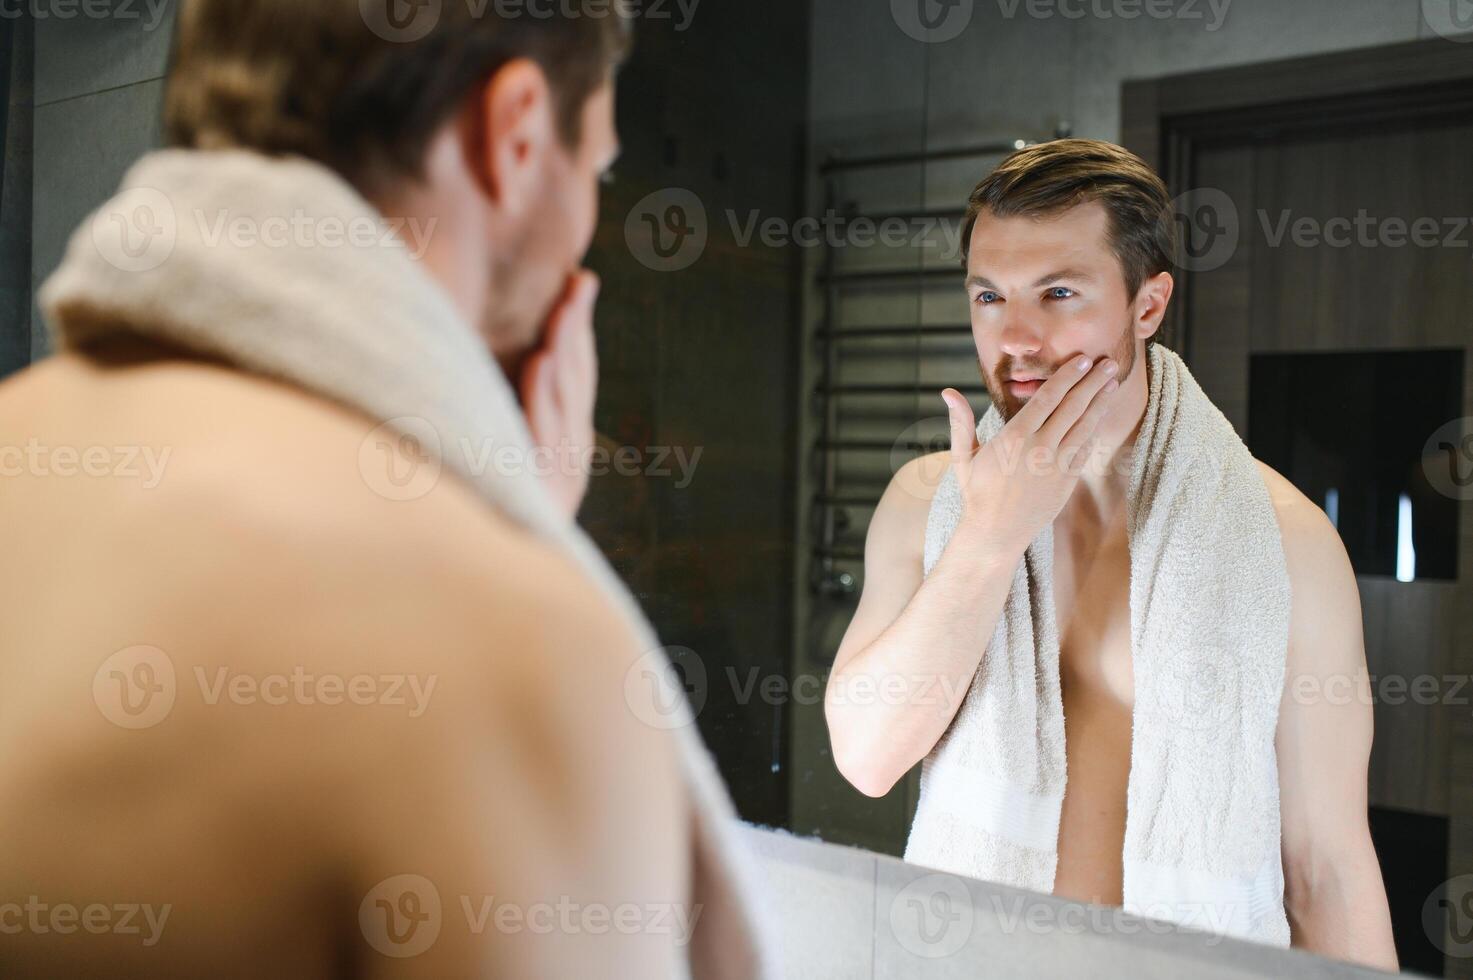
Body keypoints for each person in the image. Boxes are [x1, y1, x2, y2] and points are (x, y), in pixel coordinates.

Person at [0, 2, 765, 976]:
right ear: (518, 134)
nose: (588, 231)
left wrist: (498, 510)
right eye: (599, 168)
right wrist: (513, 563)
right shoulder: (510, 648)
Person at [824, 139, 1397, 970]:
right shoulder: (926, 504)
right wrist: (987, 539)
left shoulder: (1284, 542)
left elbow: (1326, 870)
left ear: (1147, 306)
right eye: (989, 296)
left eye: (1058, 293)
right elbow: (867, 760)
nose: (1016, 337)